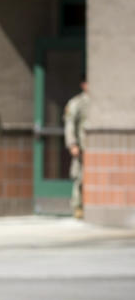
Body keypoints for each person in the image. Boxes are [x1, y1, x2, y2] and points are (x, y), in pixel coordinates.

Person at [64, 76, 89, 219]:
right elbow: (70, 125)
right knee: (79, 176)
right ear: (83, 84)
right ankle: (77, 206)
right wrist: (72, 143)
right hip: (81, 146)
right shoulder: (77, 103)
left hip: (92, 148)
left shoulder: (97, 102)